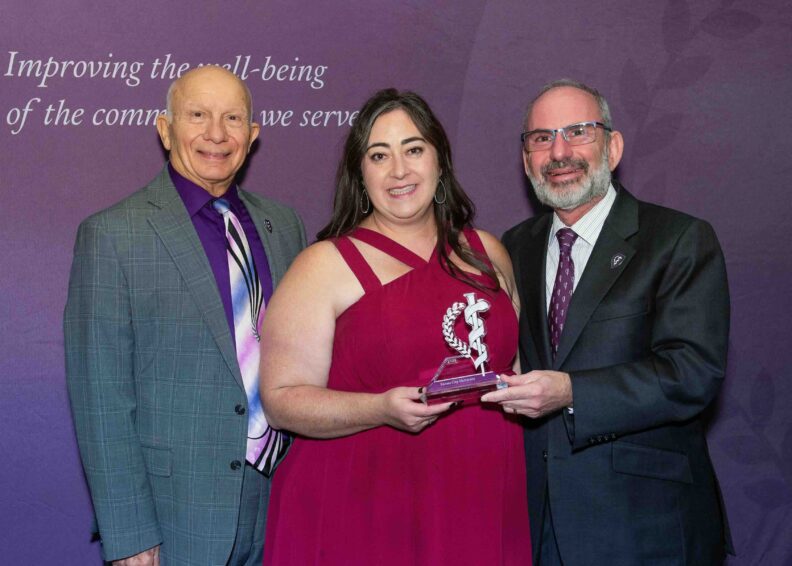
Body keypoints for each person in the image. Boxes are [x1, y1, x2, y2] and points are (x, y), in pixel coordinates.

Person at [259, 88, 532, 565]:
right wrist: (378, 408)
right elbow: (282, 402)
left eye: (414, 149)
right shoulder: (322, 266)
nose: (399, 170)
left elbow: (511, 367)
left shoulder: (489, 253)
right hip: (362, 509)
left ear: (440, 161)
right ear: (360, 174)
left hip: (481, 497)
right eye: (379, 155)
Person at [483, 79, 733, 565]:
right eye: (541, 138)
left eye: (578, 132)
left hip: (646, 527)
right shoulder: (511, 247)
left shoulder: (678, 240)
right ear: (526, 158)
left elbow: (692, 373)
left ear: (613, 147)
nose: (559, 152)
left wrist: (570, 391)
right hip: (537, 527)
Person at [64, 66, 306, 566]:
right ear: (165, 127)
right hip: (178, 520)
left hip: (286, 504)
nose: (216, 134)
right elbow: (101, 399)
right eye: (197, 115)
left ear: (253, 135)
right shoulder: (112, 236)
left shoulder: (283, 225)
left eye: (232, 118)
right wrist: (130, 535)